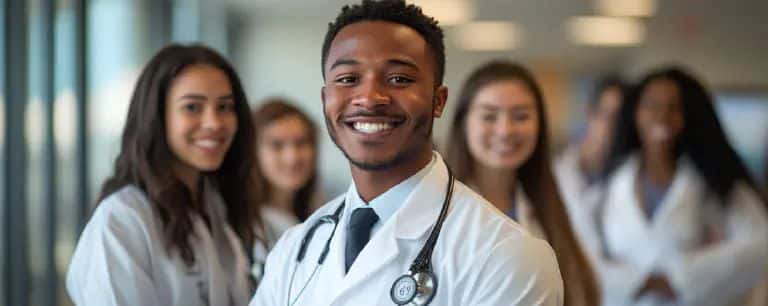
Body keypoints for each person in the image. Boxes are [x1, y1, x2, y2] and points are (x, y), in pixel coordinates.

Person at [249, 1, 563, 305]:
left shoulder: (507, 256)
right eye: (348, 79)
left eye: (399, 79)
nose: (370, 98)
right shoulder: (295, 247)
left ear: (438, 101)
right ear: (325, 99)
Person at [66, 44, 259, 306]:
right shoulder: (121, 220)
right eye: (192, 107)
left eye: (225, 107)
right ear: (157, 117)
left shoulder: (216, 207)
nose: (214, 122)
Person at [595, 67, 768, 306]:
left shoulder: (714, 181)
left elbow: (759, 246)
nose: (662, 116)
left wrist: (681, 279)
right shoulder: (611, 183)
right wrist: (638, 282)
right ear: (635, 113)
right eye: (652, 106)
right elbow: (584, 252)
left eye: (673, 108)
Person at [444, 60, 598, 306]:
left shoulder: (549, 210)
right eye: (489, 116)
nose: (505, 130)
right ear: (463, 123)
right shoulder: (440, 207)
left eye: (521, 116)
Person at [553, 76, 628, 258]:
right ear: (589, 113)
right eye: (608, 115)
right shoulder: (557, 174)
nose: (614, 126)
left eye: (622, 119)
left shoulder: (630, 176)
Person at [249, 98, 320, 282]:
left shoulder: (323, 213)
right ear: (252, 151)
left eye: (301, 143)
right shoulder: (247, 226)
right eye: (277, 145)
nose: (292, 157)